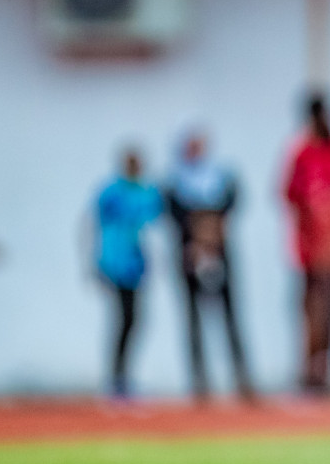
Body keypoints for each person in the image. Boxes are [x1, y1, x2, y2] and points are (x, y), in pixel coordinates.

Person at [165, 130, 253, 400]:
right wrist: (198, 235)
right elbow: (177, 213)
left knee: (230, 316)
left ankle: (241, 377)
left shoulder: (218, 175)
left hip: (219, 252)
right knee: (193, 318)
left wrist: (211, 235)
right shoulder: (175, 180)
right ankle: (200, 380)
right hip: (190, 253)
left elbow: (231, 202)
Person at [283, 92, 330, 391]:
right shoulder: (303, 154)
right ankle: (311, 368)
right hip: (311, 248)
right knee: (312, 309)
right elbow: (292, 197)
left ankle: (325, 367)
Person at [92, 147, 162, 399]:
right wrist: (97, 263)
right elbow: (96, 226)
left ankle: (122, 376)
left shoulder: (147, 192)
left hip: (136, 265)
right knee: (124, 320)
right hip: (115, 264)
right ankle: (116, 378)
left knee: (133, 321)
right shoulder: (112, 192)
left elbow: (155, 218)